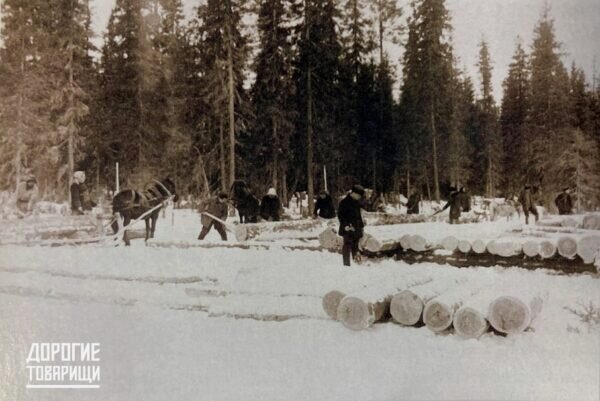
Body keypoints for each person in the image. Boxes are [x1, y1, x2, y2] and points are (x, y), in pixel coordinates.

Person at [338, 185, 365, 266]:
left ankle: (356, 262)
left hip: (356, 228)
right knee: (347, 245)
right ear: (353, 193)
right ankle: (346, 264)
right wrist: (346, 225)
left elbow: (358, 216)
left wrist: (361, 226)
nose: (359, 197)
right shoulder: (344, 202)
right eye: (358, 195)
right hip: (348, 228)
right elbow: (340, 215)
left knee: (356, 245)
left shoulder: (357, 202)